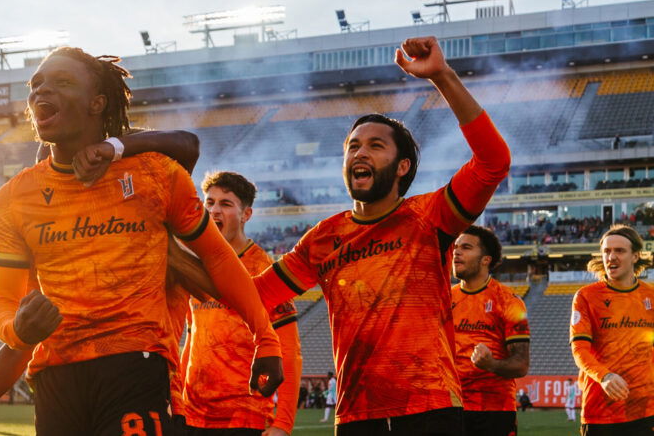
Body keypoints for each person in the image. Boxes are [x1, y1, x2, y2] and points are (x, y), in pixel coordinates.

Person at [0, 47, 283, 436]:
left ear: (98, 102)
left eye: (61, 82)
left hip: (136, 365)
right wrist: (16, 331)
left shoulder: (155, 175)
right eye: (36, 83)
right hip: (54, 376)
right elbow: (2, 304)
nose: (42, 91)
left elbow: (219, 257)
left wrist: (267, 338)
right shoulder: (12, 199)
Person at [253, 36, 511, 435]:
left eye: (376, 146)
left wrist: (442, 76)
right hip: (357, 417)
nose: (360, 153)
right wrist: (187, 251)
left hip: (430, 409)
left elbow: (493, 162)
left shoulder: (428, 217)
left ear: (402, 166)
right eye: (353, 146)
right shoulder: (323, 238)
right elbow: (257, 295)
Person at [180, 171, 302, 436]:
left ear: (246, 214)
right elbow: (192, 339)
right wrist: (178, 398)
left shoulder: (263, 269)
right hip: (192, 415)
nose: (214, 211)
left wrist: (283, 423)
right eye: (209, 203)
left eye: (225, 204)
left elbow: (289, 351)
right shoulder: (195, 265)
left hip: (243, 416)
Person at [570, 225, 654, 435]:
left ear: (635, 256)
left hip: (646, 409)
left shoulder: (651, 296)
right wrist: (605, 376)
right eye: (606, 251)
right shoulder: (586, 297)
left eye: (619, 251)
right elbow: (579, 350)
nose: (611, 257)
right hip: (600, 411)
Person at [451, 225, 530, 436]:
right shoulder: (444, 299)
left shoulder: (509, 302)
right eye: (456, 247)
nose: (456, 252)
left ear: (485, 259)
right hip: (450, 408)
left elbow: (521, 365)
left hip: (494, 410)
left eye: (466, 247)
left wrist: (491, 364)